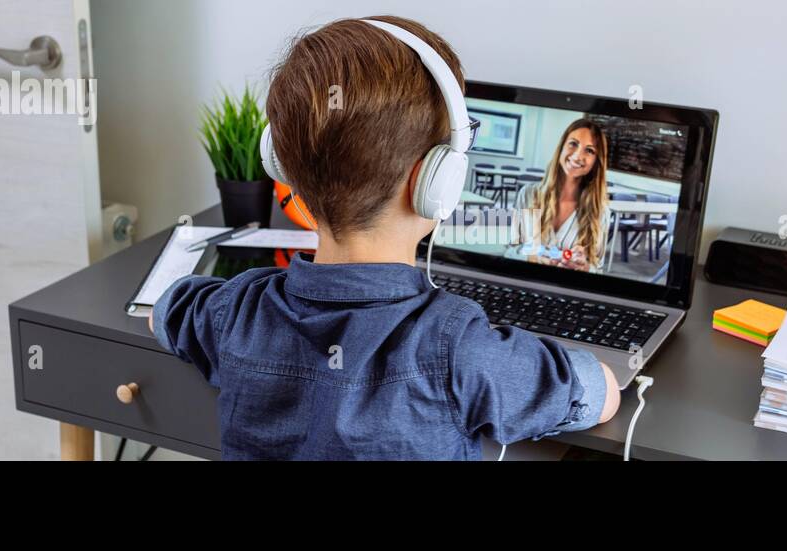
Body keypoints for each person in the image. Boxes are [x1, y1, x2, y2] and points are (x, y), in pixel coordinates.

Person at [147, 15, 619, 460]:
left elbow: (166, 310)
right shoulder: (457, 347)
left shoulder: (237, 312)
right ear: (434, 183)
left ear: (286, 171)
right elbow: (599, 393)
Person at [505, 119, 612, 272]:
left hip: (567, 289)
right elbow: (509, 251)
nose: (577, 156)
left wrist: (584, 268)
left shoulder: (601, 212)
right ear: (561, 147)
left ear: (596, 161)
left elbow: (598, 269)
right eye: (573, 144)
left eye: (589, 150)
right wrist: (533, 258)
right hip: (526, 280)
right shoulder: (528, 194)